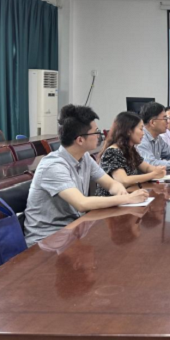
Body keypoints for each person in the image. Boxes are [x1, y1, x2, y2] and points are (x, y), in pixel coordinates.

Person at [24, 105, 149, 247]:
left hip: (73, 229)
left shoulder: (85, 158)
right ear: (80, 140)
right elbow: (82, 204)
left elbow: (111, 184)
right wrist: (127, 198)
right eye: (95, 132)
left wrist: (120, 191)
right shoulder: (53, 166)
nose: (99, 136)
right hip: (48, 239)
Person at [95, 111, 167, 196]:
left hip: (128, 196)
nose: (143, 133)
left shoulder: (131, 149)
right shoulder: (113, 152)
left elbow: (146, 167)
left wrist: (158, 170)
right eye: (141, 129)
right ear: (128, 131)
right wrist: (153, 175)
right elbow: (123, 180)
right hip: (111, 200)